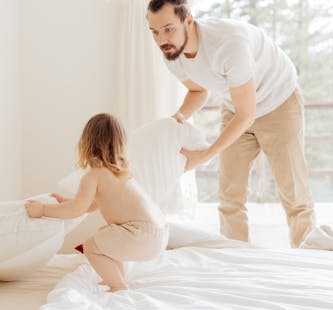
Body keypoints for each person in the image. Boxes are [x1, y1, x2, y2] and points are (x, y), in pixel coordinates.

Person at [146, 0, 315, 247]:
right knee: (229, 196)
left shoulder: (229, 44)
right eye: (155, 32)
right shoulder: (172, 54)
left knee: (294, 195)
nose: (162, 39)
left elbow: (247, 114)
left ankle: (309, 258)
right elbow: (198, 90)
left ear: (188, 21)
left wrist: (204, 155)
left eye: (169, 28)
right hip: (237, 104)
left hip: (279, 102)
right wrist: (178, 118)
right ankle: (236, 259)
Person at [25, 113, 168, 292]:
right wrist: (66, 202)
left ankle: (117, 285)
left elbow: (77, 209)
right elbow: (91, 204)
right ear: (120, 144)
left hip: (140, 234)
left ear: (86, 144)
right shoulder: (121, 173)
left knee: (92, 247)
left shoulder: (94, 176)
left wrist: (43, 210)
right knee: (108, 241)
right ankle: (117, 276)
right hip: (157, 234)